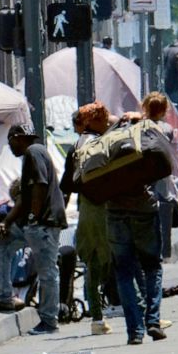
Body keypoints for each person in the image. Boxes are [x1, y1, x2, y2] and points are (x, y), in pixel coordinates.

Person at [0, 123, 67, 335]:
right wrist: (8, 221)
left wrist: (33, 216)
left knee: (48, 272)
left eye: (10, 141)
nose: (10, 147)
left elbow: (40, 185)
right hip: (35, 223)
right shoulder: (33, 154)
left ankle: (49, 320)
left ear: (18, 137)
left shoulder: (33, 152)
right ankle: (3, 297)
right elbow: (24, 196)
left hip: (42, 223)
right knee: (1, 243)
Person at [103, 105, 168, 346]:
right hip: (144, 210)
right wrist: (142, 119)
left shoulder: (107, 142)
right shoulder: (145, 140)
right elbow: (166, 142)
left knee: (124, 272)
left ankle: (135, 331)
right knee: (152, 267)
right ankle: (153, 320)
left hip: (115, 212)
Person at [60, 102, 114, 336]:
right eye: (104, 119)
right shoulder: (102, 143)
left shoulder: (78, 146)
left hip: (90, 210)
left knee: (93, 262)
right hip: (105, 209)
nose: (107, 123)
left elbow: (67, 185)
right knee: (107, 261)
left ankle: (98, 317)